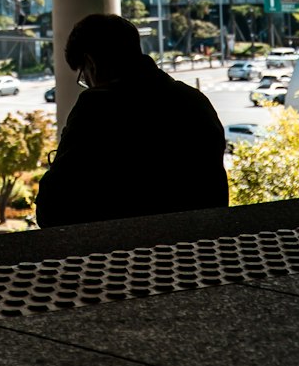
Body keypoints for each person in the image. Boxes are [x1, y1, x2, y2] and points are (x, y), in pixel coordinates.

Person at [36, 13, 228, 229]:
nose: (88, 83)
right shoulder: (194, 101)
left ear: (91, 63)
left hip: (126, 251)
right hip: (201, 245)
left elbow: (52, 210)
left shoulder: (96, 110)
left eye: (84, 76)